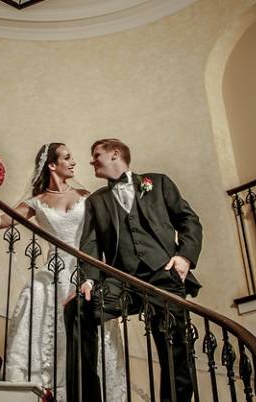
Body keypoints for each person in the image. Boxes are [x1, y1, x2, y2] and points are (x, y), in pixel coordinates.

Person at [0, 143, 126, 401]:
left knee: (87, 331)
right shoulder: (36, 202)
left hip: (84, 273)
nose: (74, 162)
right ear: (52, 165)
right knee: (35, 298)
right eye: (67, 158)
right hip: (52, 273)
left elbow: (104, 235)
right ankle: (40, 386)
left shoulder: (87, 196)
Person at [64, 138, 203, 402]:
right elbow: (90, 244)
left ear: (115, 154)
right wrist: (89, 280)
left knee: (174, 348)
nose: (92, 161)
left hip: (163, 276)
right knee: (78, 309)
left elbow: (189, 220)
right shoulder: (96, 201)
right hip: (122, 280)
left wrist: (184, 257)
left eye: (96, 155)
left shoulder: (158, 183)